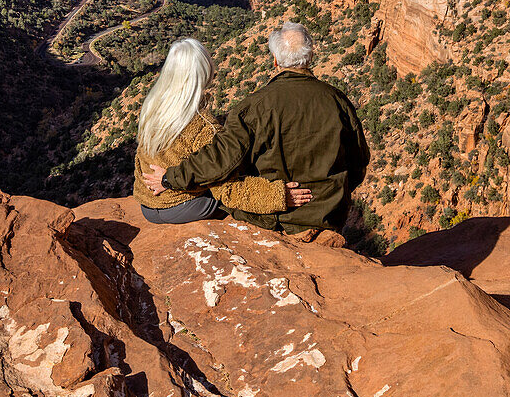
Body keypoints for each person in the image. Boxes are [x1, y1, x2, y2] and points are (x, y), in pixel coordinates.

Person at [143, 22, 368, 243]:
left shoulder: (253, 108)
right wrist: (331, 196)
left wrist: (170, 178)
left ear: (275, 60)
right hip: (328, 215)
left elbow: (221, 162)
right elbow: (359, 162)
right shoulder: (338, 101)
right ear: (310, 57)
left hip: (276, 217)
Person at [133, 37, 312, 224]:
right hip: (182, 206)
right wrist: (278, 195)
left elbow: (141, 158)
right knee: (234, 196)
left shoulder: (152, 107)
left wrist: (161, 183)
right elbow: (228, 190)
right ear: (205, 71)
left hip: (147, 206)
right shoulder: (203, 126)